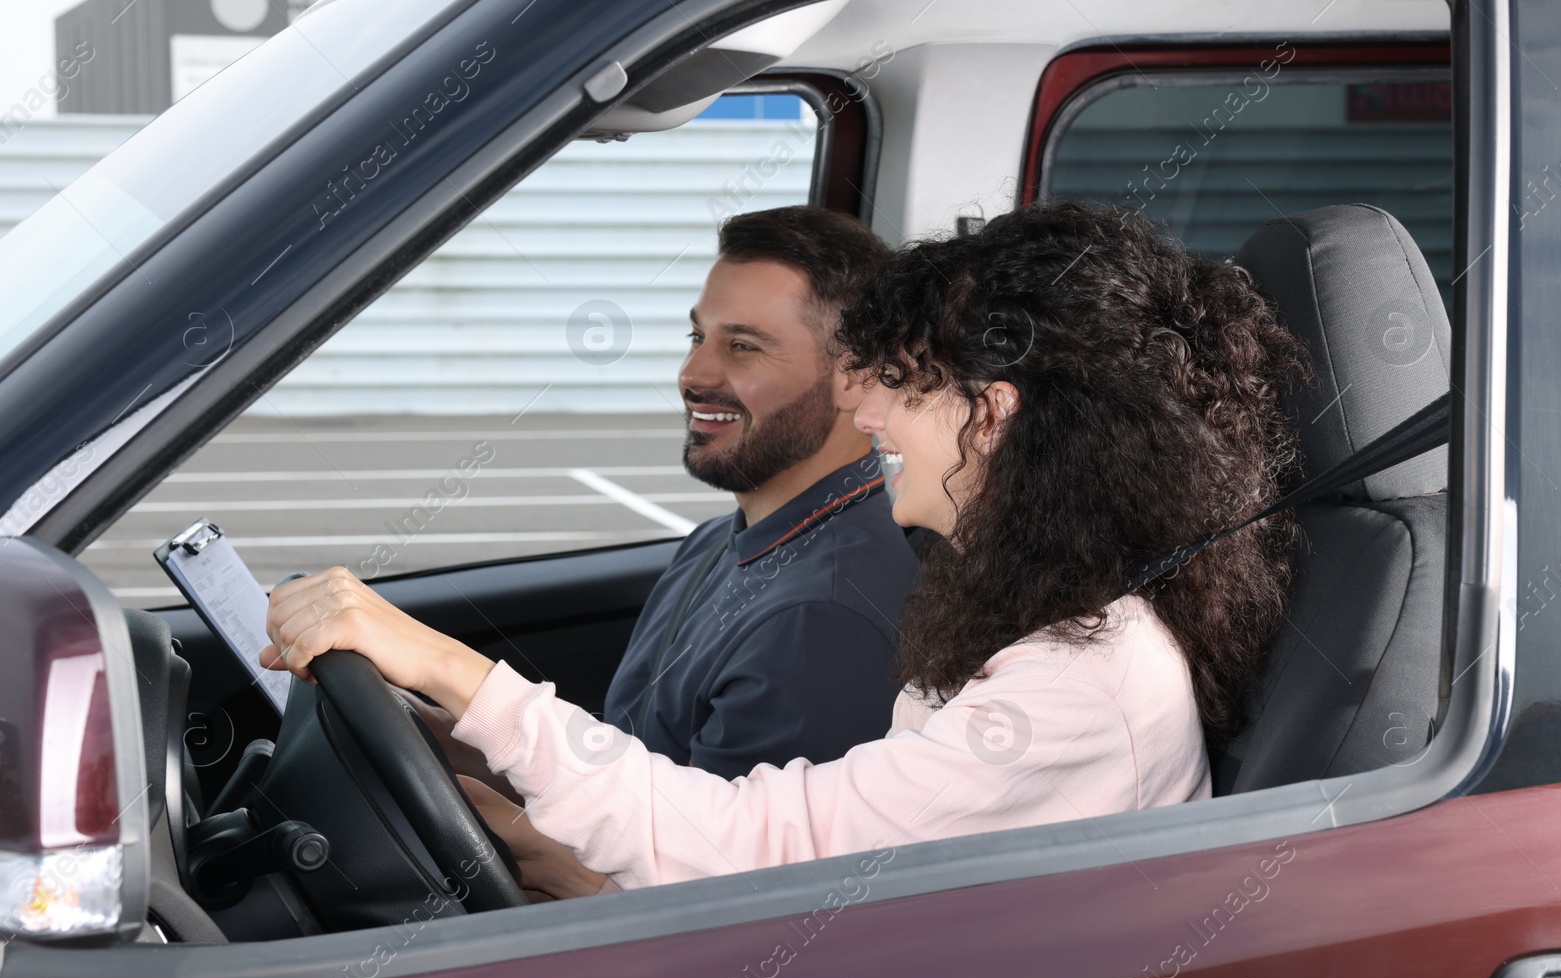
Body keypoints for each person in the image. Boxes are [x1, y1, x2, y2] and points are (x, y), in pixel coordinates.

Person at [260, 198, 1305, 898]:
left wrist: (444, 666)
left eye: (901, 379)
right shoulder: (1040, 625)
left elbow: (758, 854)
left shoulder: (1077, 684)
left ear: (990, 416)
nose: (868, 409)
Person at [418, 205, 918, 787]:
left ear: (856, 377)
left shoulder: (824, 618)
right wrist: (447, 748)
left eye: (743, 347)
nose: (693, 373)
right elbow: (639, 776)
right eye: (698, 336)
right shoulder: (718, 542)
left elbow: (710, 862)